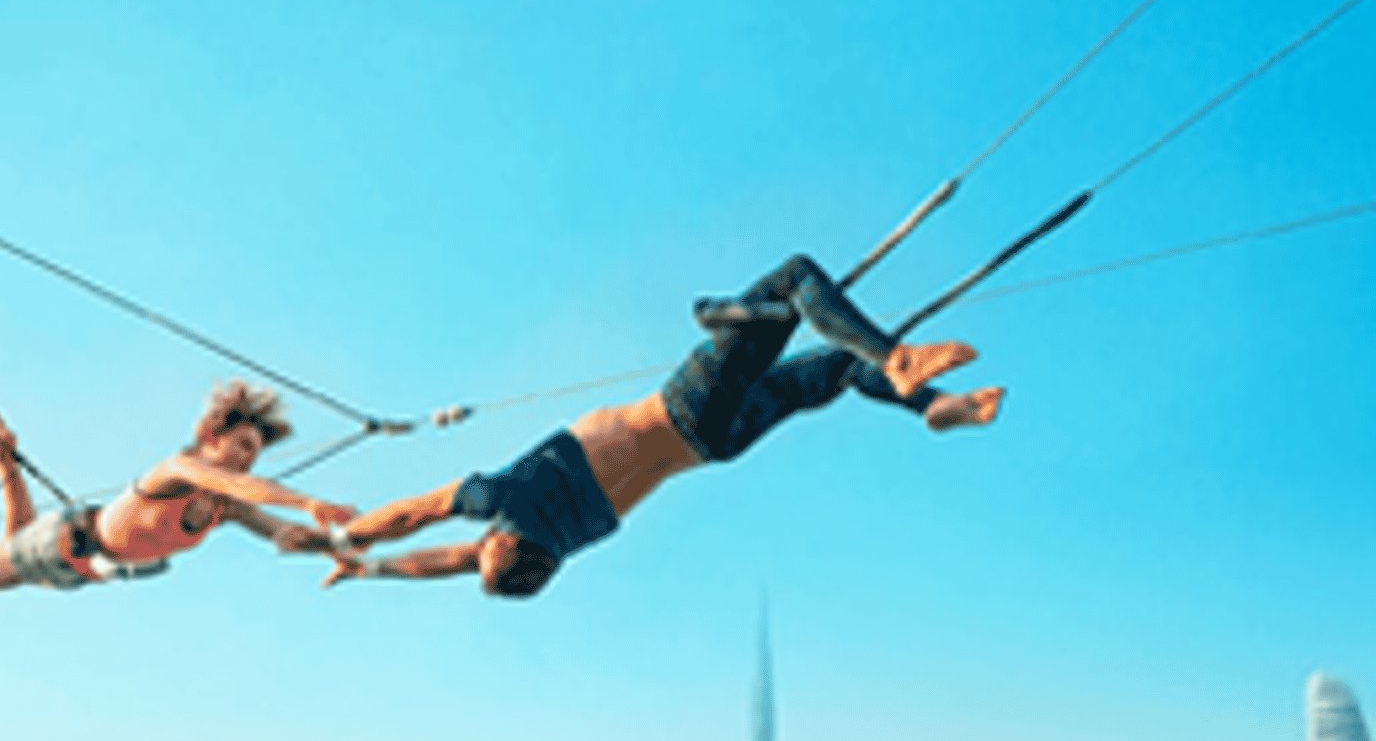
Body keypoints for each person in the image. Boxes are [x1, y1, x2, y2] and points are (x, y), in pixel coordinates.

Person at [316, 257, 1002, 600]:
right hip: (690, 406)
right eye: (488, 549)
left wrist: (367, 572)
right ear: (508, 544)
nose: (477, 547)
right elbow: (415, 518)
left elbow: (445, 563)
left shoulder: (560, 544)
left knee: (831, 372)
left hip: (715, 446)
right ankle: (897, 360)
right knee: (792, 278)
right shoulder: (503, 501)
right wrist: (347, 534)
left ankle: (940, 408)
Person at [0, 386, 352, 590]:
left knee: (14, 540)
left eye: (255, 453)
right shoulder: (176, 469)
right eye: (242, 444)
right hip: (68, 542)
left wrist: (341, 545)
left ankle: (2, 457)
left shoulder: (226, 507)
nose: (248, 458)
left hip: (83, 571)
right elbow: (241, 485)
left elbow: (280, 533)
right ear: (211, 436)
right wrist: (306, 501)